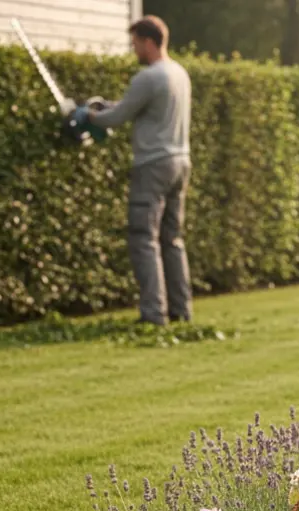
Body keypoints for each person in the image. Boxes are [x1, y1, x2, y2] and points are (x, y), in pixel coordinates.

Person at [87, 16, 193, 325]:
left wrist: (86, 115)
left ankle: (153, 314)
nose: (134, 50)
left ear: (148, 42)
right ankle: (181, 311)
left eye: (135, 44)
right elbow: (131, 106)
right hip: (180, 162)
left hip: (153, 165)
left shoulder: (148, 77)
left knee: (143, 237)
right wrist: (104, 106)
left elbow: (118, 117)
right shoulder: (179, 74)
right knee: (172, 239)